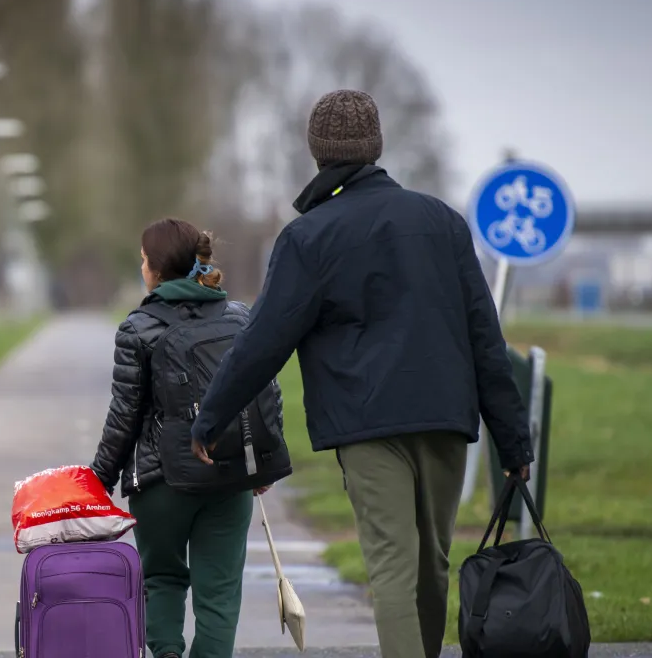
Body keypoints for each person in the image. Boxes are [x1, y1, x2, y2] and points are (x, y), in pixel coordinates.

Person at [189, 89, 534, 658]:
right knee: (431, 562)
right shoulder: (442, 223)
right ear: (375, 146)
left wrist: (211, 417)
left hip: (368, 423)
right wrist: (513, 439)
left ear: (317, 152)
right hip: (445, 418)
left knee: (393, 563)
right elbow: (485, 338)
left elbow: (262, 341)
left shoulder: (309, 236)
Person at [91, 218, 293, 658]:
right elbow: (267, 393)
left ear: (155, 268)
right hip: (229, 476)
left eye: (143, 260)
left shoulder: (138, 328)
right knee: (219, 592)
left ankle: (166, 651)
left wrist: (98, 479)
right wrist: (261, 461)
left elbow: (124, 416)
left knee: (161, 579)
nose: (141, 267)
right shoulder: (239, 317)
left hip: (161, 482)